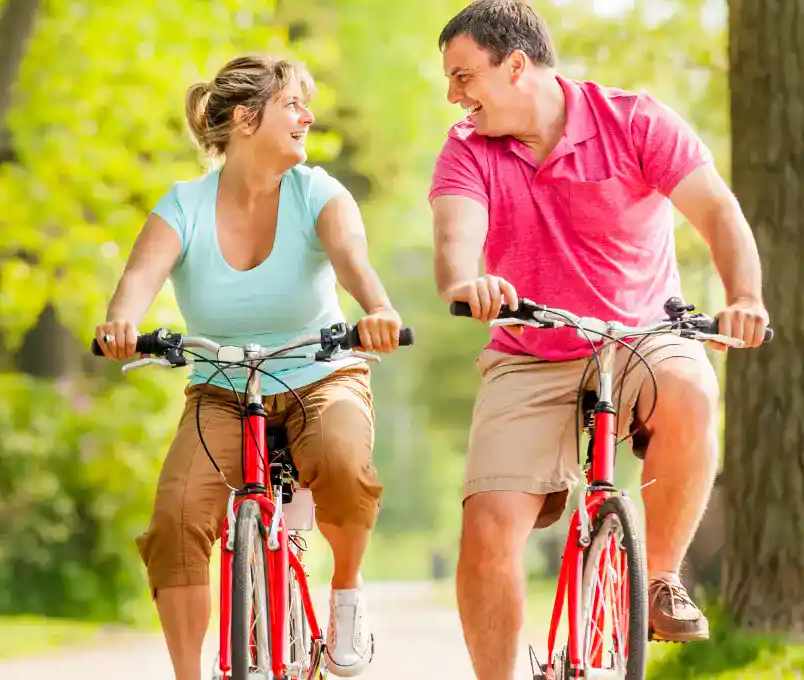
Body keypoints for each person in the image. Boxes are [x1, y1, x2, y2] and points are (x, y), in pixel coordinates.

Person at [427, 1, 769, 677]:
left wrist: (746, 297)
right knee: (489, 527)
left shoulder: (634, 121)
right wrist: (468, 283)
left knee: (693, 383)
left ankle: (661, 579)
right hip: (531, 354)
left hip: (641, 336)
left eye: (465, 76)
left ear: (516, 65)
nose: (454, 95)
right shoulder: (468, 149)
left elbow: (717, 211)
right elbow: (452, 240)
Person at [95, 54, 402, 679]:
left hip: (320, 373)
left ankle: (346, 594)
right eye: (294, 104)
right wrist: (122, 324)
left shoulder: (318, 192)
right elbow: (136, 281)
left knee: (344, 461)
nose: (307, 116)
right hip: (222, 389)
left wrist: (378, 310)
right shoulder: (183, 205)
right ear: (244, 120)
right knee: (176, 518)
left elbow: (351, 260)